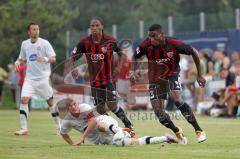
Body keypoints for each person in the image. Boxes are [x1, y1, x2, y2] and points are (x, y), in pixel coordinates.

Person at [131, 24, 206, 144]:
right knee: (159, 113)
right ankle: (176, 131)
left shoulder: (174, 43)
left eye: (154, 36)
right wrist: (133, 71)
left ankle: (198, 130)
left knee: (176, 98)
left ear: (161, 34)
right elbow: (135, 55)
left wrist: (200, 74)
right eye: (149, 36)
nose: (151, 39)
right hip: (155, 79)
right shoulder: (146, 45)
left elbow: (193, 52)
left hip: (171, 75)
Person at [70, 17, 134, 132]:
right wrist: (73, 68)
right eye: (92, 26)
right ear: (90, 28)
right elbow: (73, 56)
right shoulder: (84, 42)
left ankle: (128, 124)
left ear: (101, 27)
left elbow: (122, 55)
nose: (94, 28)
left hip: (108, 79)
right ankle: (114, 128)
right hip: (94, 81)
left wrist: (118, 68)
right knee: (100, 109)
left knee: (112, 105)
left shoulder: (110, 40)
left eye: (97, 25)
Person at [60, 98, 178, 146]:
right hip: (101, 139)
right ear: (67, 109)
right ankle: (165, 138)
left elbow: (93, 122)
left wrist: (82, 138)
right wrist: (72, 144)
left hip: (105, 121)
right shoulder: (67, 121)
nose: (75, 107)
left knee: (99, 125)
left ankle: (121, 130)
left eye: (75, 104)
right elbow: (63, 133)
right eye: (71, 106)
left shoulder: (84, 107)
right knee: (131, 143)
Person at [14, 22, 61, 135]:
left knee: (50, 102)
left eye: (37, 29)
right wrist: (17, 61)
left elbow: (53, 58)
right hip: (29, 79)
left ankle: (59, 126)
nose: (36, 31)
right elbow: (22, 58)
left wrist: (45, 58)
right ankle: (24, 128)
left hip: (43, 78)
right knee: (24, 100)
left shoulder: (45, 43)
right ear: (29, 32)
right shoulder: (24, 44)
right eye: (34, 29)